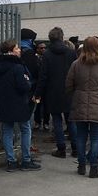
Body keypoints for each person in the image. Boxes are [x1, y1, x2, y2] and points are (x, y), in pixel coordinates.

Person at [66, 36, 98, 178]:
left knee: (81, 136)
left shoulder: (76, 64)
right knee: (96, 137)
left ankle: (81, 165)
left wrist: (75, 98)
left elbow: (68, 85)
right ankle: (94, 168)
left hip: (79, 102)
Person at [0, 39, 41, 171]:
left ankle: (11, 161)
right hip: (19, 102)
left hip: (4, 101)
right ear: (10, 51)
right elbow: (23, 86)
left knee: (7, 130)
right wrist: (27, 82)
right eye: (16, 48)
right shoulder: (18, 67)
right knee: (25, 128)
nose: (19, 50)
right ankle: (26, 160)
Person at [35, 27, 77, 158]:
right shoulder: (71, 53)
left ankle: (61, 148)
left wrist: (38, 93)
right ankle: (76, 149)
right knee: (71, 121)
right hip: (69, 91)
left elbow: (43, 76)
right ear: (62, 37)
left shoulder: (47, 54)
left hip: (53, 92)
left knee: (57, 120)